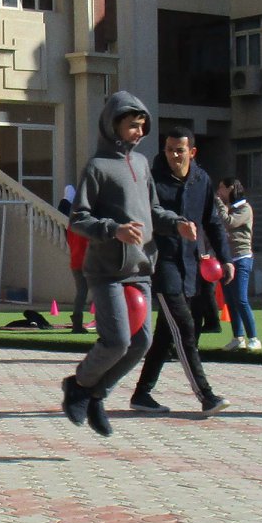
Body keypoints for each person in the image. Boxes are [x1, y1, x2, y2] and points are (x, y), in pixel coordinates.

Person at [62, 93, 197, 437]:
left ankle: (96, 395)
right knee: (117, 341)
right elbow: (78, 219)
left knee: (140, 344)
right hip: (106, 271)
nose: (139, 132)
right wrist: (113, 230)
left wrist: (176, 224)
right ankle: (78, 385)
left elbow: (153, 211)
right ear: (114, 125)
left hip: (141, 270)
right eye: (133, 125)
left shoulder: (141, 164)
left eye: (142, 126)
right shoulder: (97, 167)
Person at [132, 123, 231, 417]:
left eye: (180, 150)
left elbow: (212, 221)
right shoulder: (152, 180)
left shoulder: (202, 180)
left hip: (191, 265)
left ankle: (141, 394)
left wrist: (226, 258)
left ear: (192, 152)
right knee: (185, 327)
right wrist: (175, 225)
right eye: (169, 150)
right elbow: (147, 215)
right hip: (161, 264)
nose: (174, 155)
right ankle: (206, 396)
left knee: (166, 333)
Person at [220, 178, 259, 350]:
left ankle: (254, 338)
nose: (219, 192)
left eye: (221, 188)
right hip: (227, 260)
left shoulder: (244, 208)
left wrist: (219, 205)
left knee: (241, 299)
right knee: (230, 300)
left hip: (242, 258)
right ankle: (238, 337)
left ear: (231, 189)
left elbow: (229, 222)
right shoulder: (228, 208)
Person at [58, 184, 89, 333]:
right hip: (88, 261)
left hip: (76, 261)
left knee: (81, 293)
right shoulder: (87, 224)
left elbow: (69, 241)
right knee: (101, 291)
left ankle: (77, 321)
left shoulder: (72, 225)